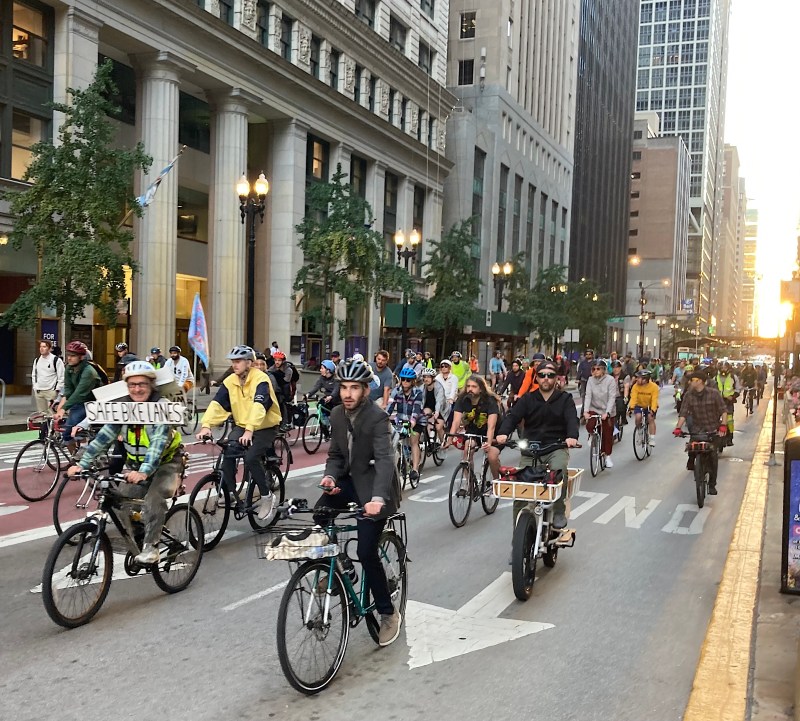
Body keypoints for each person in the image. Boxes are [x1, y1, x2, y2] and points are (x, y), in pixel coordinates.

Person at [316, 357, 403, 646]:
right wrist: (330, 478)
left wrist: (378, 498)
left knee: (367, 552)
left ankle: (388, 614)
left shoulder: (377, 418)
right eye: (344, 387)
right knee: (319, 513)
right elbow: (336, 455)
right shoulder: (338, 414)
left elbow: (384, 461)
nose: (348, 393)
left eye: (355, 387)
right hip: (352, 482)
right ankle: (343, 567)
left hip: (377, 489)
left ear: (366, 390)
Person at [66, 361, 184, 564]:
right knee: (120, 500)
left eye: (142, 384)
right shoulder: (123, 407)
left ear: (151, 385)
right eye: (132, 385)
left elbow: (158, 442)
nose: (137, 389)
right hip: (137, 466)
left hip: (167, 463)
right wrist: (83, 463)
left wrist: (145, 471)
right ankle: (139, 534)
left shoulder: (161, 406)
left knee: (153, 500)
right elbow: (104, 437)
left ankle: (151, 548)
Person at [197, 345, 282, 521]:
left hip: (265, 426)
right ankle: (230, 492)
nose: (234, 365)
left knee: (251, 458)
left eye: (238, 361)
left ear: (249, 363)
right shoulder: (230, 381)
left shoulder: (261, 380)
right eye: (232, 361)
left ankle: (267, 496)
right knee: (228, 452)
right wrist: (206, 426)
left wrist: (250, 430)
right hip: (242, 425)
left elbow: (260, 406)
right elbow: (217, 405)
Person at [495, 360, 580, 529]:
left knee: (559, 470)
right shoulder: (528, 399)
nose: (546, 379)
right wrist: (503, 433)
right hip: (531, 449)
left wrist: (571, 436)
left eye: (550, 375)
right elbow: (512, 417)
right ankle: (519, 535)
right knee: (521, 489)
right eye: (542, 375)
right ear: (536, 377)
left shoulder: (565, 399)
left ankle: (558, 511)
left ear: (556, 378)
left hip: (556, 447)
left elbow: (572, 419)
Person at [673, 369, 728, 491]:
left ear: (701, 382)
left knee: (713, 457)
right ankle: (692, 461)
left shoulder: (714, 394)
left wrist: (723, 425)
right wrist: (678, 428)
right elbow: (683, 413)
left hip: (712, 428)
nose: (691, 382)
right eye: (691, 380)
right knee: (692, 448)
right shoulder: (688, 395)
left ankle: (712, 485)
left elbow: (723, 410)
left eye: (694, 380)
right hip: (697, 429)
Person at [444, 374, 502, 482]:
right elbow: (456, 421)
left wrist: (488, 443)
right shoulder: (462, 399)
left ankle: (496, 481)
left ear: (481, 389)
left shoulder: (490, 401)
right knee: (467, 449)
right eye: (468, 386)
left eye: (474, 386)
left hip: (492, 433)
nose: (470, 389)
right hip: (473, 431)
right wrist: (450, 439)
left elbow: (491, 426)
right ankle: (469, 484)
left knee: (492, 456)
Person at [55, 341, 101, 453]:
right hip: (79, 402)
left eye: (73, 356)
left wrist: (64, 408)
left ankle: (86, 450)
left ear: (81, 357)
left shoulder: (89, 371)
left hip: (93, 403)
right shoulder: (69, 369)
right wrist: (60, 405)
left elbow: (79, 393)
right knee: (66, 433)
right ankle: (74, 459)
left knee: (78, 430)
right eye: (68, 355)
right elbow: (69, 390)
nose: (69, 358)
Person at [386, 366, 424, 484]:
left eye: (408, 380)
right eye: (403, 379)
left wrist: (412, 422)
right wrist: (384, 417)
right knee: (393, 438)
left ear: (413, 381)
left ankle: (415, 470)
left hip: (416, 421)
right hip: (401, 419)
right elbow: (390, 407)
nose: (405, 382)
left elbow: (416, 410)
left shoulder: (418, 392)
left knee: (413, 441)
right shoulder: (396, 391)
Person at [583, 359, 618, 467]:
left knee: (607, 434)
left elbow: (612, 397)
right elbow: (588, 395)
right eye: (593, 369)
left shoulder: (610, 380)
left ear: (603, 370)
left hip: (607, 409)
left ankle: (607, 456)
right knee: (590, 424)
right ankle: (592, 435)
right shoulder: (590, 380)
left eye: (598, 369)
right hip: (595, 407)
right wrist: (585, 411)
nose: (595, 371)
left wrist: (607, 412)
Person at [32, 340, 64, 415]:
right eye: (40, 346)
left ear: (49, 349)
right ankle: (44, 427)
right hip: (39, 391)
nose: (41, 348)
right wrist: (35, 387)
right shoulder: (37, 360)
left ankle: (52, 426)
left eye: (44, 346)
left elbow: (61, 376)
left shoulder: (56, 360)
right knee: (42, 414)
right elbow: (34, 374)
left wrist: (57, 389)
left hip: (51, 391)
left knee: (52, 414)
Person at [628, 369, 659, 446]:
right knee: (638, 417)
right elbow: (633, 398)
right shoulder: (635, 386)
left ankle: (652, 438)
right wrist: (631, 408)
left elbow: (654, 399)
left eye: (638, 378)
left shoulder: (654, 387)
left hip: (650, 405)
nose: (636, 379)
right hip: (639, 404)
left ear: (645, 379)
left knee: (650, 418)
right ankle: (640, 432)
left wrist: (653, 410)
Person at [421, 367, 449, 445]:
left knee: (438, 427)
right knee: (424, 417)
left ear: (433, 378)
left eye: (428, 377)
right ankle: (428, 441)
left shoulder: (439, 387)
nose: (426, 379)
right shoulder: (422, 387)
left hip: (441, 409)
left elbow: (439, 402)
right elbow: (419, 400)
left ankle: (443, 443)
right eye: (424, 377)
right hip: (429, 406)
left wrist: (436, 412)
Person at [714, 361, 739, 446]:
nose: (723, 370)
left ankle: (730, 438)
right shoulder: (715, 377)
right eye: (722, 368)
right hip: (716, 402)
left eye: (725, 368)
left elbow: (737, 389)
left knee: (730, 420)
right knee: (714, 419)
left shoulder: (733, 377)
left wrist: (733, 397)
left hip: (728, 402)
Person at [575, 349, 595, 416]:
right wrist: (577, 379)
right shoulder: (582, 363)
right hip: (583, 381)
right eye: (587, 354)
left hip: (592, 381)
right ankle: (582, 413)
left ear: (592, 355)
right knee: (584, 396)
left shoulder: (594, 363)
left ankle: (591, 411)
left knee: (592, 396)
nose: (588, 355)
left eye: (589, 354)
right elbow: (579, 371)